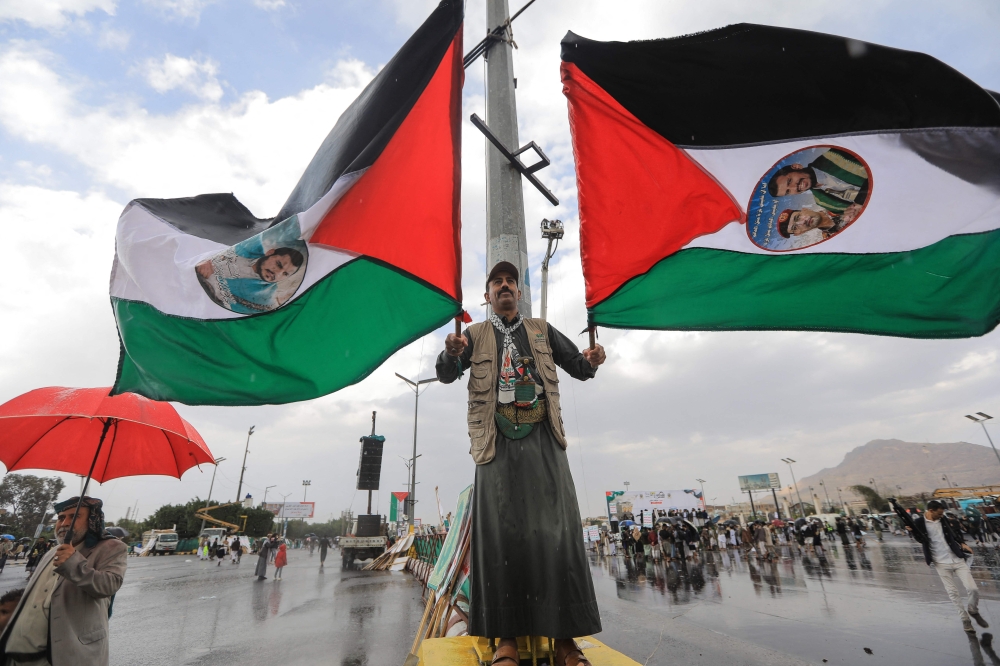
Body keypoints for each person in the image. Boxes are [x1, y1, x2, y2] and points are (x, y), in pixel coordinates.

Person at [436, 260, 607, 666]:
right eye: (497, 281)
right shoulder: (472, 335)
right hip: (494, 443)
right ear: (487, 296)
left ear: (518, 292)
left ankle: (566, 641)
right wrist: (450, 352)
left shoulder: (541, 330)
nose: (505, 286)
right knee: (499, 537)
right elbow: (446, 375)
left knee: (557, 532)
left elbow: (579, 368)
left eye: (511, 281)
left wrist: (594, 358)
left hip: (545, 439)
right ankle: (505, 640)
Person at [0, 496, 127, 666]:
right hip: (17, 657)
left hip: (63, 657)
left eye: (74, 516)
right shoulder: (51, 552)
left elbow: (109, 584)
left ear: (91, 520)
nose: (65, 523)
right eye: (61, 518)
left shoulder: (111, 547)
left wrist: (73, 562)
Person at [908, 499, 984, 633]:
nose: (941, 515)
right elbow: (920, 539)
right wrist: (913, 531)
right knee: (953, 593)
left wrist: (962, 543)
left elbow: (951, 533)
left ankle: (972, 609)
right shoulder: (920, 522)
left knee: (973, 588)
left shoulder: (942, 519)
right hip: (940, 562)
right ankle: (965, 620)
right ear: (931, 511)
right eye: (939, 513)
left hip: (956, 558)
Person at [767, 147, 870, 213]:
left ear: (796, 167)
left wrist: (860, 200)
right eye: (788, 191)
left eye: (789, 181)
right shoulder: (823, 203)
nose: (795, 187)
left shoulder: (836, 155)